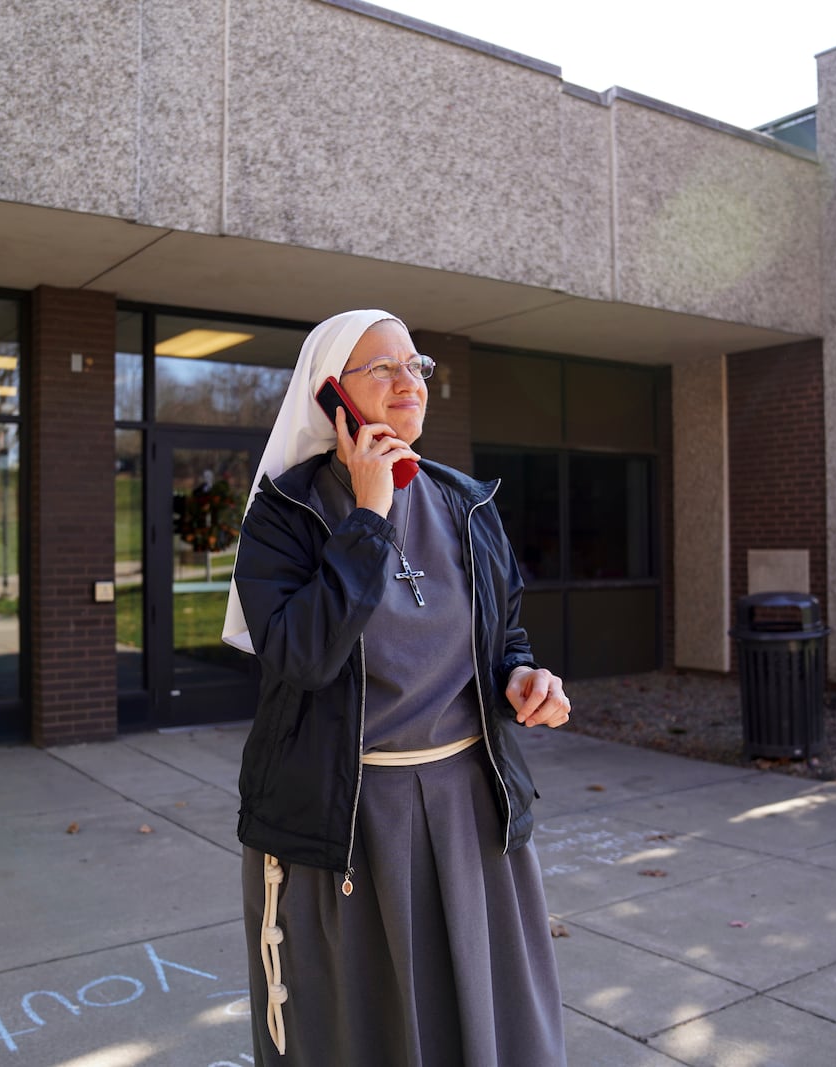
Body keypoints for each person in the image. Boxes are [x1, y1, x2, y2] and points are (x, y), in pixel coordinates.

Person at [222, 309, 572, 1065]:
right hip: (348, 816)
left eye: (416, 366)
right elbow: (302, 653)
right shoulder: (284, 515)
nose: (408, 381)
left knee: (485, 1020)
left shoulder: (465, 502)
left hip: (469, 807)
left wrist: (523, 675)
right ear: (330, 395)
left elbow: (504, 634)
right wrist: (371, 511)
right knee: (363, 1030)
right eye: (383, 368)